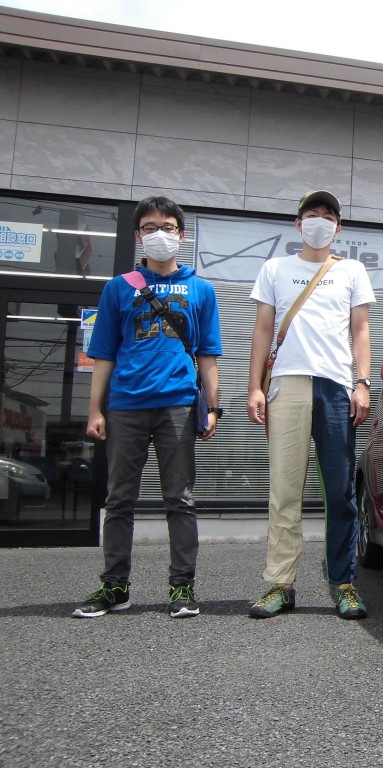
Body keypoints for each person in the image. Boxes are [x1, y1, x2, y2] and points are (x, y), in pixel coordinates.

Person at [73, 196, 223, 619]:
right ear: (138, 235)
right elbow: (104, 353)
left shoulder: (201, 289)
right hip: (125, 406)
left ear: (181, 233)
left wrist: (214, 407)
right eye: (150, 226)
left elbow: (208, 354)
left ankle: (182, 587)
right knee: (119, 499)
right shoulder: (119, 287)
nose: (160, 233)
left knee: (180, 499)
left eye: (169, 226)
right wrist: (94, 410)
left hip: (178, 404)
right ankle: (115, 586)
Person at [246, 190, 375, 620]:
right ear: (298, 224)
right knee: (285, 490)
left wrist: (362, 383)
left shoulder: (352, 270)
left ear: (339, 228)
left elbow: (360, 331)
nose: (320, 221)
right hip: (286, 384)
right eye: (311, 214)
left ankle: (344, 583)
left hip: (337, 387)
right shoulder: (275, 268)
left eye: (328, 216)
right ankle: (281, 584)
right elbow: (263, 330)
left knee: (340, 492)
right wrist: (254, 388)